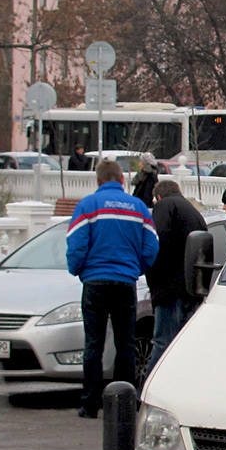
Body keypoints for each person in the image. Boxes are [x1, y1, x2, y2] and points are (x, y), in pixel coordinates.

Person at [66, 159, 159, 419]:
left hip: (95, 282)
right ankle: (122, 404)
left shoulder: (87, 206)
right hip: (125, 282)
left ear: (98, 181)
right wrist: (135, 268)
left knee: (93, 344)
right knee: (125, 343)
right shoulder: (138, 208)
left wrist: (79, 270)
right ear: (121, 180)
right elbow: (151, 246)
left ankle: (90, 403)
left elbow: (76, 246)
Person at [144, 180, 207, 379]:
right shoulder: (194, 213)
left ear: (159, 197)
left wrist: (152, 278)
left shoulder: (165, 206)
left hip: (169, 288)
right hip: (192, 287)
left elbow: (158, 242)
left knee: (163, 343)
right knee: (182, 346)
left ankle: (147, 390)